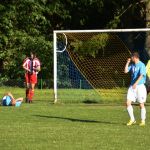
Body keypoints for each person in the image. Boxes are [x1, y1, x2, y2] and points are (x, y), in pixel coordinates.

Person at [124, 52, 147, 126]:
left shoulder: (141, 65)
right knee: (127, 103)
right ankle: (132, 119)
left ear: (135, 57)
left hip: (140, 86)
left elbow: (141, 75)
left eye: (132, 58)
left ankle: (143, 121)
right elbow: (126, 71)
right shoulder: (132, 65)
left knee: (141, 104)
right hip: (132, 86)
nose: (131, 59)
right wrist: (127, 62)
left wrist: (136, 83)